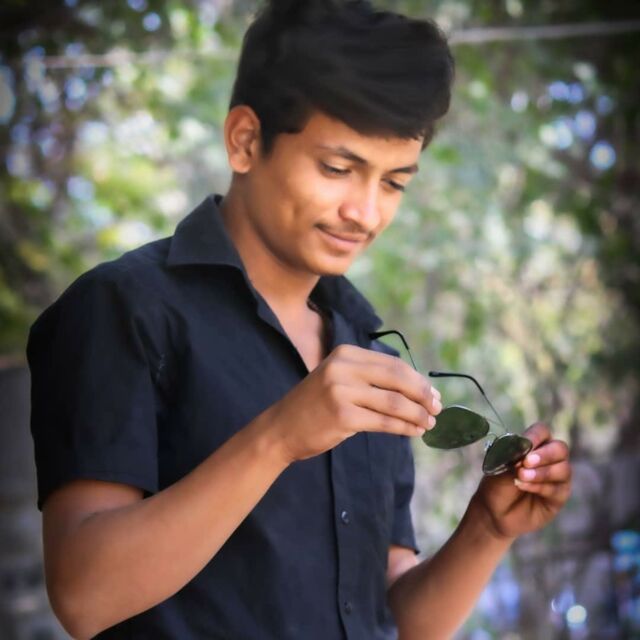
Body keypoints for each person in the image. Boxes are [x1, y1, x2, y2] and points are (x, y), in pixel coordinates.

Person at [27, 1, 572, 638]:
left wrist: (487, 528)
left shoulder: (373, 355)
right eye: (338, 169)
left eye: (394, 182)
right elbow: (85, 597)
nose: (365, 213)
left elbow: (388, 622)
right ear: (245, 140)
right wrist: (280, 436)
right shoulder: (124, 309)